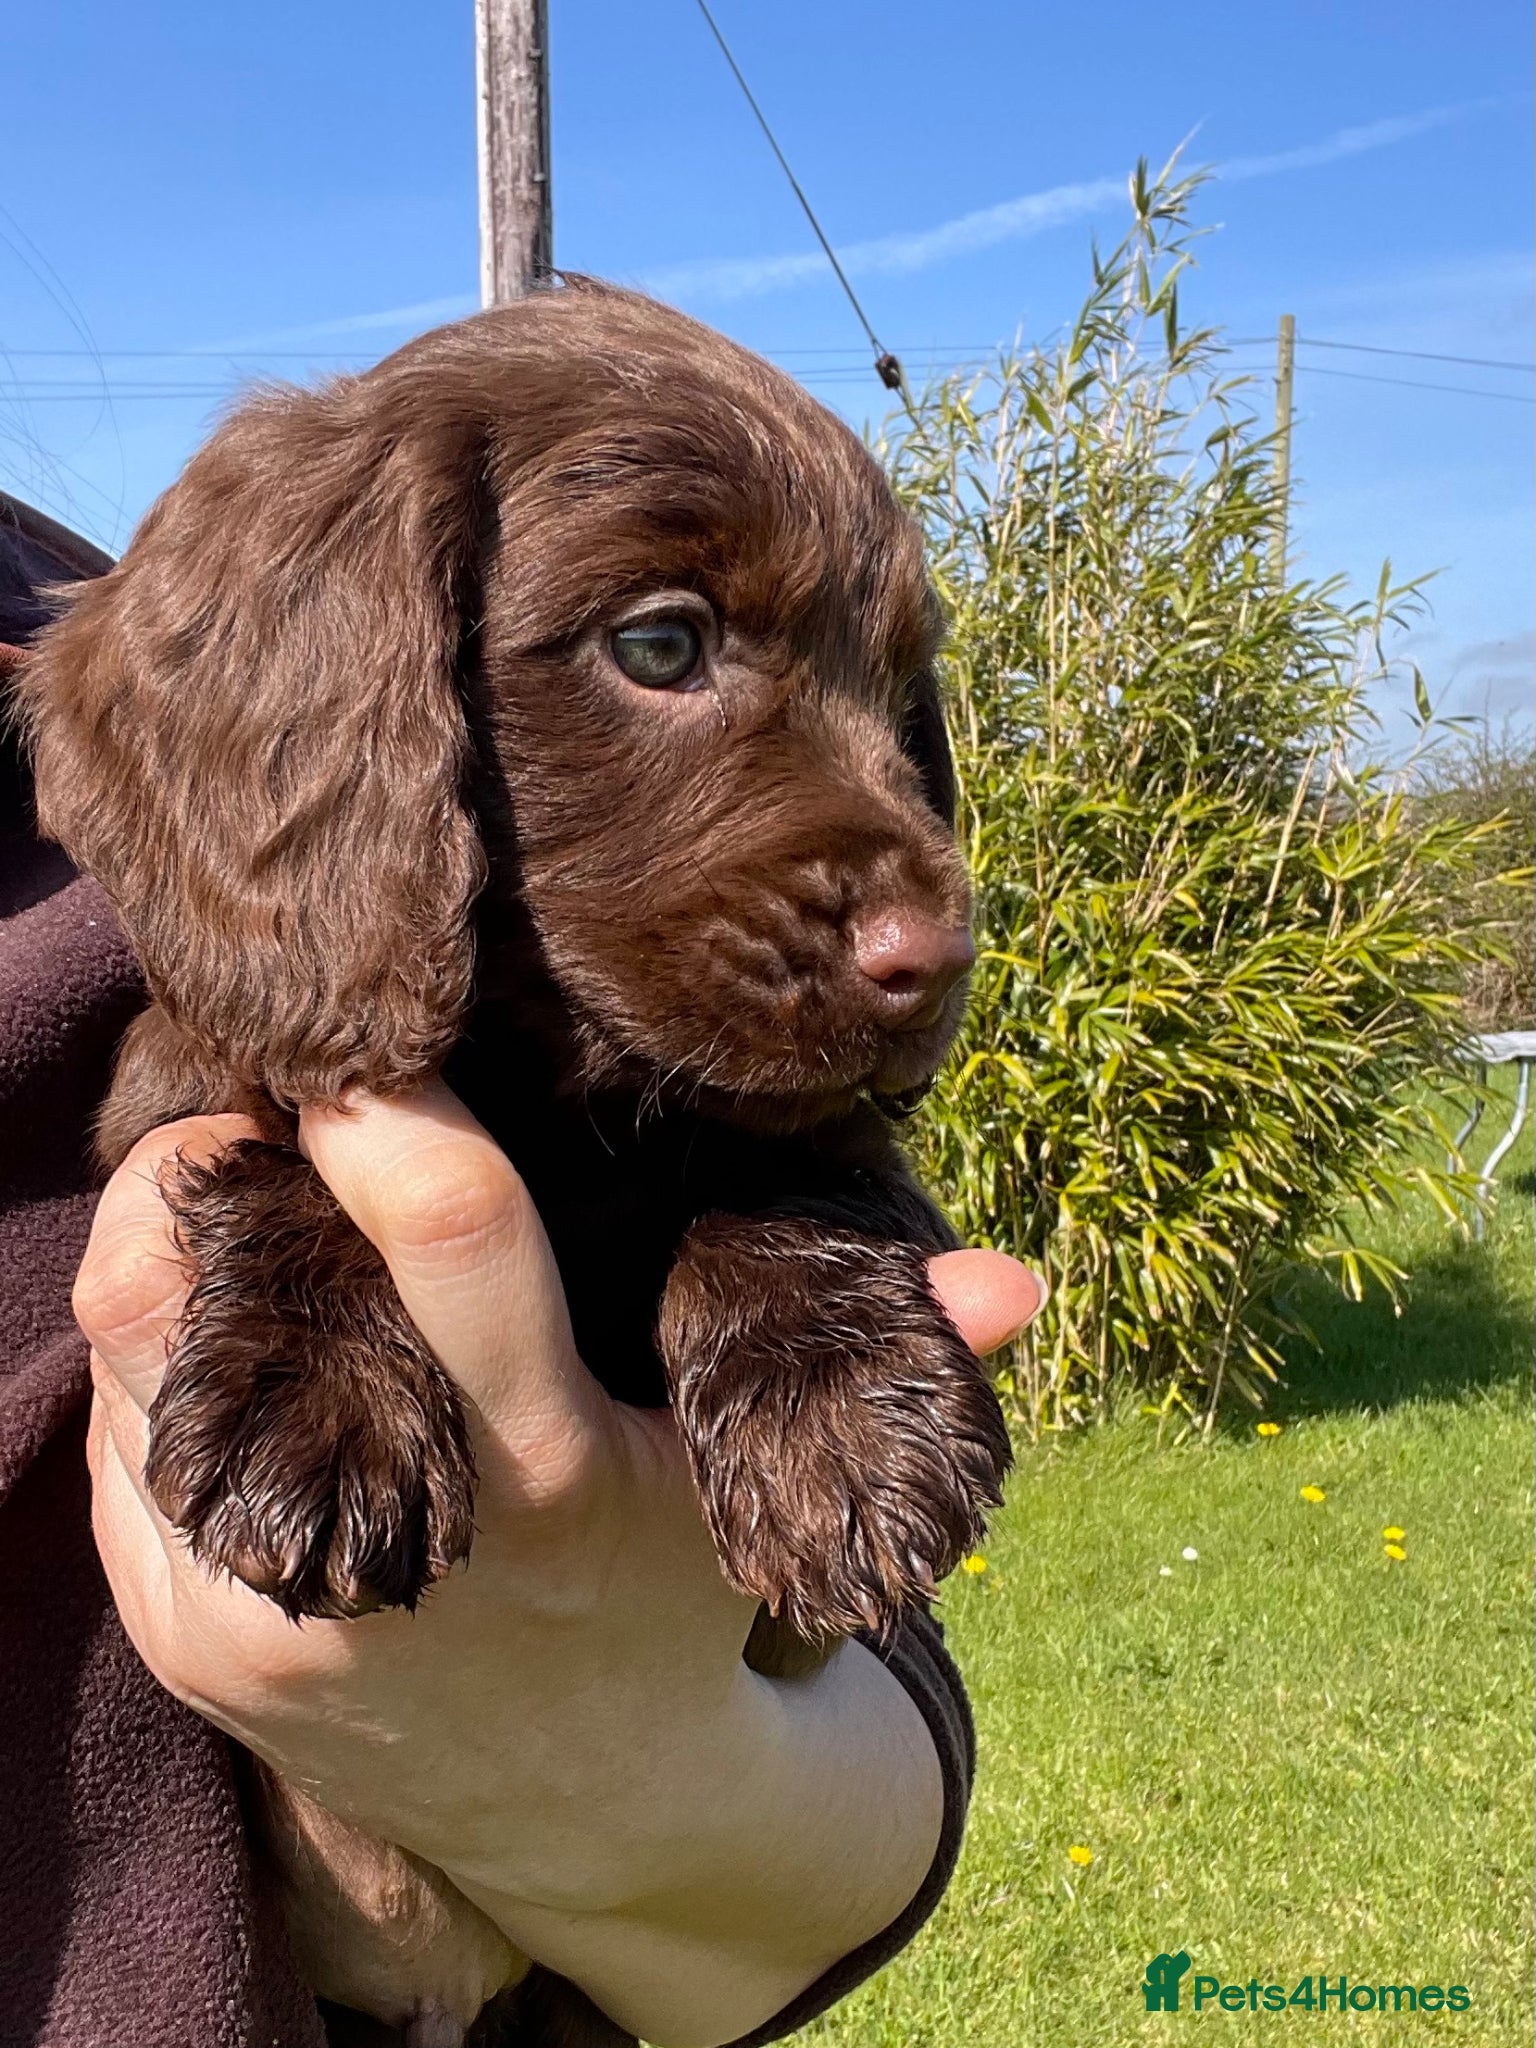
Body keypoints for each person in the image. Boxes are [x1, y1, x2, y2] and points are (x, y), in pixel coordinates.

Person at [0, 500, 1042, 2046]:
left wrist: (653, 1794)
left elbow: (849, 1690)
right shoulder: (227, 656)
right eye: (664, 646)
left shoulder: (74, 588)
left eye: (890, 703)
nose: (920, 925)